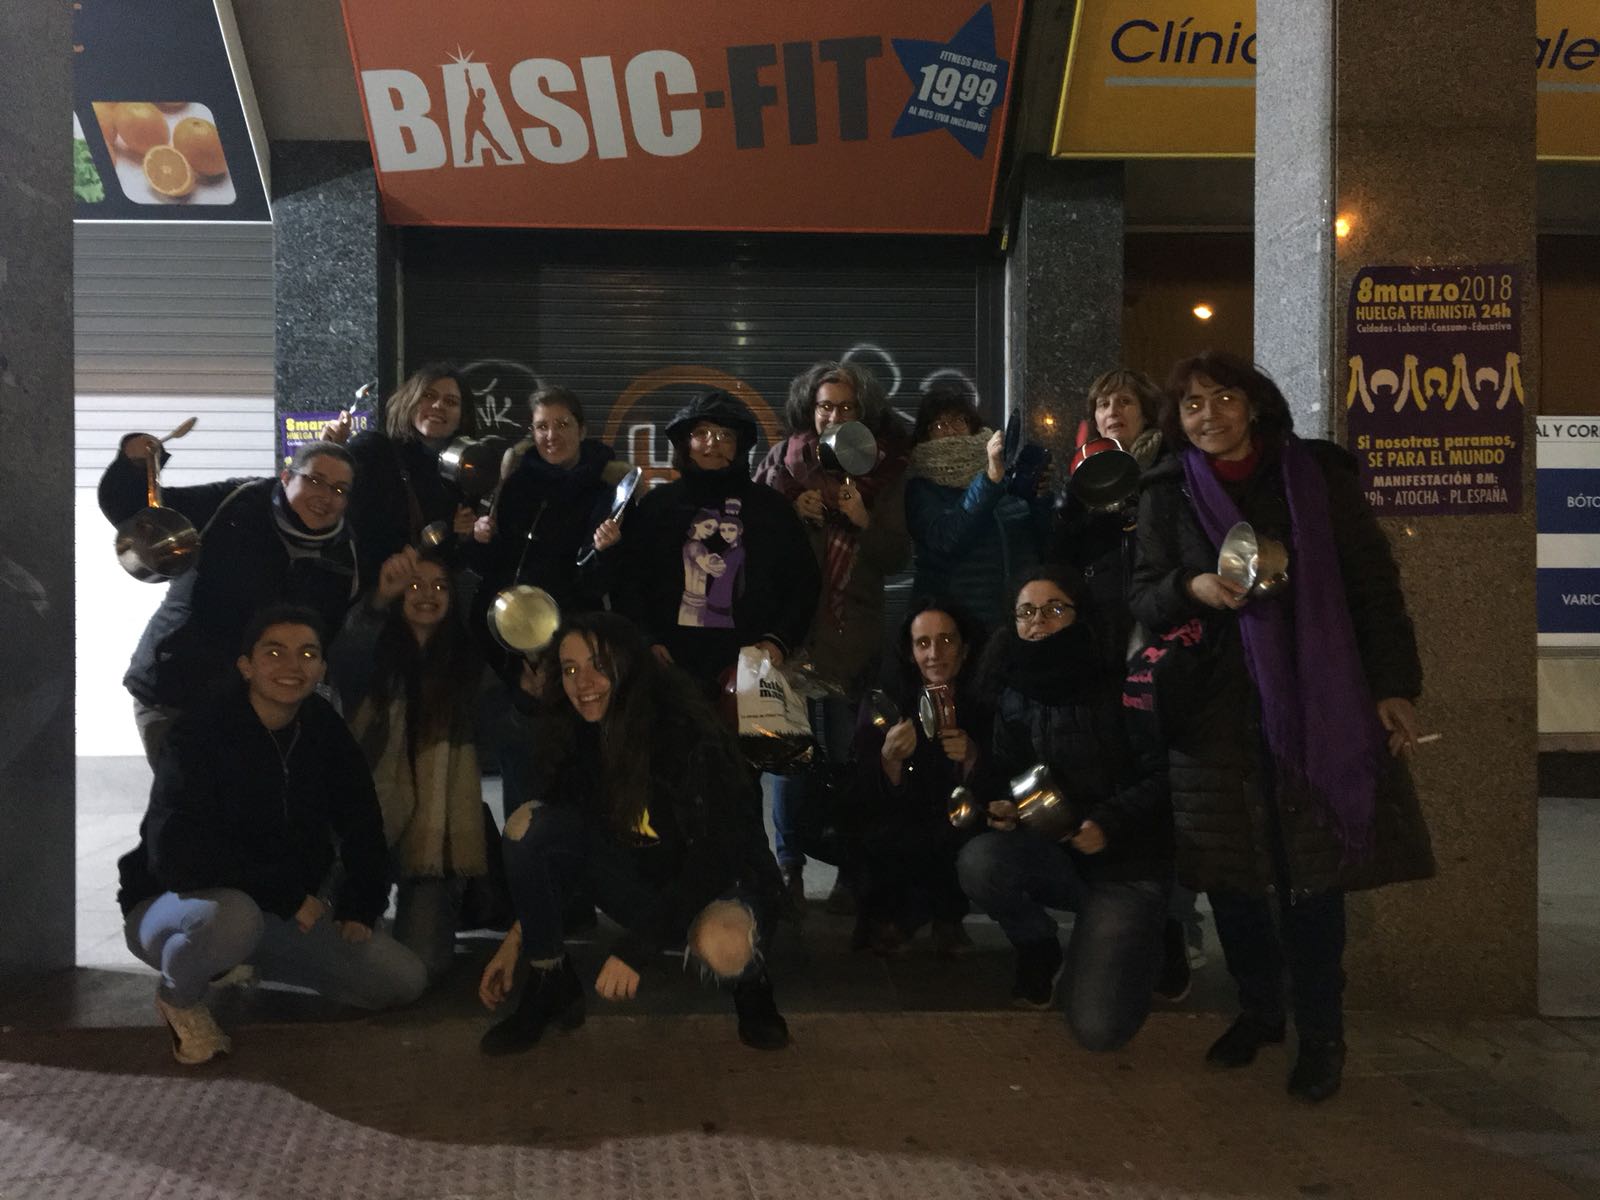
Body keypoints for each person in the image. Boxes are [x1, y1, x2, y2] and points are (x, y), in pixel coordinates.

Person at [1128, 350, 1434, 1102]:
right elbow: (1144, 595)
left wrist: (1394, 687)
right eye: (1192, 405)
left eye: (1223, 399)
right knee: (1231, 876)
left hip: (1314, 701)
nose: (1208, 415)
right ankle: (1260, 1011)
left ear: (1255, 405)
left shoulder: (1317, 476)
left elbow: (1372, 585)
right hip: (1212, 712)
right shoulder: (1165, 490)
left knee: (1311, 874)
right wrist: (1192, 586)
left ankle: (1322, 1031)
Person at [117, 605, 427, 1065]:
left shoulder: (323, 728)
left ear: (321, 669)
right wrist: (283, 894)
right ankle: (179, 997)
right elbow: (175, 854)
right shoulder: (201, 731)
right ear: (247, 665)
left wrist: (361, 903)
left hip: (278, 914)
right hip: (175, 908)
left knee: (402, 980)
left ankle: (240, 959)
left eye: (308, 654)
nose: (292, 666)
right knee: (235, 920)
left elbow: (362, 820)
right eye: (275, 652)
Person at [477, 612, 790, 1055]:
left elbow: (718, 857)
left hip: (721, 886)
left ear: (629, 665)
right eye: (569, 669)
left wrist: (637, 949)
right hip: (647, 882)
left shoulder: (684, 730)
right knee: (529, 826)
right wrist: (516, 943)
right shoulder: (577, 732)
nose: (583, 682)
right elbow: (562, 852)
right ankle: (550, 982)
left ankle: (752, 984)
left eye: (599, 665)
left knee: (722, 945)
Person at [957, 568, 1179, 1052]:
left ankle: (1159, 929)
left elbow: (1166, 773)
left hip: (1129, 863)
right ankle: (1041, 945)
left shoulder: (1123, 679)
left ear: (1081, 615)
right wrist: (1008, 807)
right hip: (1061, 853)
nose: (1038, 622)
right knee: (981, 861)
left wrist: (1109, 822)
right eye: (1025, 612)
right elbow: (1011, 771)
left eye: (1054, 609)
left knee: (1097, 1028)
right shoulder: (1013, 689)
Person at [1056, 368, 1207, 972]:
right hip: (1104, 647)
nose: (1112, 410)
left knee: (1168, 782)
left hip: (1162, 644)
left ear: (1147, 412)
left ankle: (1178, 921)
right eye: (1102, 403)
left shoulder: (1170, 471)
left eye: (1124, 401)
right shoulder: (1083, 475)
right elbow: (1063, 558)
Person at [753, 361, 912, 906]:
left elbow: (896, 556)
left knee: (849, 756)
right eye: (825, 406)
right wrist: (787, 508)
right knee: (786, 755)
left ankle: (849, 865)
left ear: (863, 413)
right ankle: (789, 866)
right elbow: (750, 539)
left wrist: (864, 520)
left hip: (852, 635)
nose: (834, 415)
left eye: (846, 406)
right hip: (789, 633)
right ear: (810, 408)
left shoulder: (885, 471)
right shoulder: (782, 461)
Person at [100, 436, 360, 764]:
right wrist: (135, 464)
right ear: (286, 477)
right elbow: (135, 511)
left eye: (339, 489)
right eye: (315, 481)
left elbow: (326, 639)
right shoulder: (236, 501)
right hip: (177, 690)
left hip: (262, 708)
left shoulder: (345, 554)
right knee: (189, 791)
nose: (325, 496)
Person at [333, 550, 490, 980]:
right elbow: (345, 654)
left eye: (440, 587)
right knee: (335, 936)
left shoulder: (467, 662)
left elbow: (499, 717)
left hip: (434, 835)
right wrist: (379, 599)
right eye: (415, 585)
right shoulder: (373, 650)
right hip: (368, 817)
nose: (427, 595)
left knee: (425, 964)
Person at [610, 390, 818, 691]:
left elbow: (803, 582)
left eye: (725, 435)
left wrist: (779, 641)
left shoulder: (772, 508)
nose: (712, 443)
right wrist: (646, 641)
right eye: (701, 433)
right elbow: (629, 581)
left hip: (752, 675)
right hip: (670, 673)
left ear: (740, 445)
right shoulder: (657, 506)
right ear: (685, 442)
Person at [851, 598, 987, 957]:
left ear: (965, 650)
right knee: (888, 834)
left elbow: (1002, 775)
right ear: (910, 653)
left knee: (960, 829)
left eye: (946, 641)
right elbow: (861, 787)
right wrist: (889, 760)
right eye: (923, 643)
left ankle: (948, 918)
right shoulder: (887, 701)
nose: (934, 654)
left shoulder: (985, 701)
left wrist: (973, 758)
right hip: (902, 822)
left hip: (962, 821)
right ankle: (891, 918)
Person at [903, 383, 1050, 629]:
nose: (951, 431)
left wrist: (1040, 498)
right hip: (957, 624)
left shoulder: (1004, 474)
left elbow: (1040, 541)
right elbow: (947, 538)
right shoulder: (922, 488)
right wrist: (989, 481)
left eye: (959, 421)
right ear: (925, 436)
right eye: (939, 425)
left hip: (1018, 617)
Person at [324, 363, 479, 587]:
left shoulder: (464, 474)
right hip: (371, 591)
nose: (438, 405)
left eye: (451, 402)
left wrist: (464, 536)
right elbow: (328, 508)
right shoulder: (373, 451)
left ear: (462, 416)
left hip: (426, 596)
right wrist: (331, 451)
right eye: (428, 395)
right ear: (410, 401)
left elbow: (456, 563)